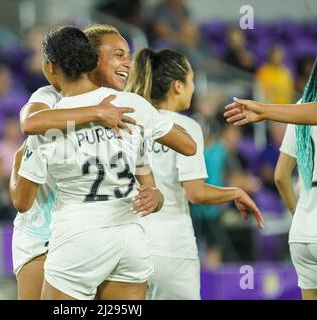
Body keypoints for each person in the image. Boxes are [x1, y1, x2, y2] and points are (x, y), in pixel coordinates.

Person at [11, 24, 195, 300]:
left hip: (82, 231)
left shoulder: (128, 109)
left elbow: (148, 179)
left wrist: (155, 197)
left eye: (128, 56)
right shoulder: (50, 99)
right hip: (43, 232)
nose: (127, 63)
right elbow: (30, 122)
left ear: (52, 66)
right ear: (91, 59)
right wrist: (99, 112)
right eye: (118, 55)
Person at [125, 48, 264, 299]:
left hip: (127, 247)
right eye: (191, 80)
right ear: (178, 86)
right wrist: (235, 191)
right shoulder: (186, 127)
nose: (193, 87)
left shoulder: (128, 121)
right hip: (171, 248)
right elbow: (196, 193)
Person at [225, 47, 317, 300]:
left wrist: (300, 216)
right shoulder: (307, 110)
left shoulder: (301, 105)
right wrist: (265, 110)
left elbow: (281, 177)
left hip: (303, 235)